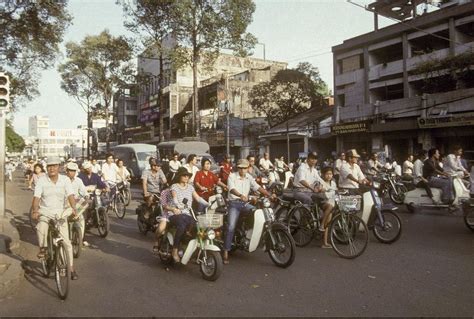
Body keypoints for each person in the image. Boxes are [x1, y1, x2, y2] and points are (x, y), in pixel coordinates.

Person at [30, 157, 79, 280]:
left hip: (60, 213)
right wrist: (35, 211)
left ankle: (71, 268)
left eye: (54, 166)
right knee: (41, 226)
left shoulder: (65, 180)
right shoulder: (42, 180)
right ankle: (43, 248)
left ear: (59, 167)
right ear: (46, 168)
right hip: (45, 211)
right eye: (49, 166)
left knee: (67, 242)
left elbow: (70, 195)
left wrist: (74, 209)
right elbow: (36, 198)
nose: (52, 168)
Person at [223, 159, 274, 264]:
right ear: (238, 168)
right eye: (240, 168)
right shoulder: (232, 176)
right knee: (231, 226)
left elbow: (258, 187)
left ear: (247, 168)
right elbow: (231, 189)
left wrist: (269, 194)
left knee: (256, 213)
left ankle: (247, 235)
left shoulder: (249, 177)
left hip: (245, 204)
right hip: (234, 204)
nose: (242, 170)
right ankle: (226, 251)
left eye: (244, 168)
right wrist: (240, 195)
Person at [168, 167, 208, 263]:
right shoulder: (174, 186)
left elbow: (198, 199)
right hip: (175, 212)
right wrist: (178, 206)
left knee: (199, 226)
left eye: (188, 176)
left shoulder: (190, 187)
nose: (186, 177)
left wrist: (208, 204)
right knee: (181, 225)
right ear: (179, 176)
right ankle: (175, 250)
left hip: (187, 213)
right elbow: (174, 198)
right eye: (184, 175)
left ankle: (192, 249)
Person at [78, 161, 108, 246]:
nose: (89, 169)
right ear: (84, 169)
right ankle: (83, 234)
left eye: (90, 168)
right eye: (87, 168)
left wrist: (105, 187)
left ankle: (101, 215)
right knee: (84, 213)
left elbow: (100, 183)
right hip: (85, 197)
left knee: (103, 202)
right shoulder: (80, 177)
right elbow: (79, 187)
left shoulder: (95, 176)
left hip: (95, 195)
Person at [65, 162, 89, 249]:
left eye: (73, 171)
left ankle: (80, 239)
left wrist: (86, 195)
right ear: (66, 171)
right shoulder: (62, 180)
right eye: (70, 171)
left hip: (76, 204)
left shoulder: (78, 180)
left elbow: (83, 190)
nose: (72, 172)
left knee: (82, 219)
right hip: (65, 204)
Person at [319, 167, 337, 249]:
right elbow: (325, 195)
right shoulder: (321, 182)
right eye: (327, 174)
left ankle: (325, 243)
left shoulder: (333, 183)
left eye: (330, 174)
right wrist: (331, 192)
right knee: (329, 207)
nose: (329, 176)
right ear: (323, 174)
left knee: (328, 223)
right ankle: (321, 225)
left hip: (331, 203)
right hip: (322, 202)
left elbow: (334, 192)